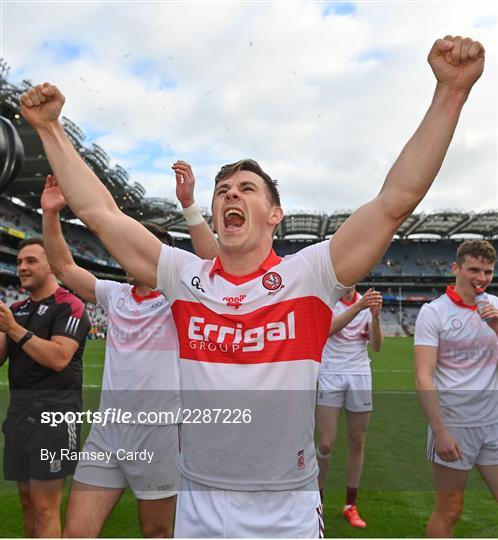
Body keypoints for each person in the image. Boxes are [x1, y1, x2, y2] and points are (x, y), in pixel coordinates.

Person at [20, 35, 485, 537]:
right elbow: (100, 213)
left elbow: (395, 200)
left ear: (274, 214)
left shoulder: (311, 273)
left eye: (245, 189)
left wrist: (450, 93)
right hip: (199, 506)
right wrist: (51, 130)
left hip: (287, 512)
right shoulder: (183, 276)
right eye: (222, 192)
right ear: (216, 215)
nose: (229, 196)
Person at [40, 170, 217, 538]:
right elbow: (63, 267)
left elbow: (218, 269)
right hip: (108, 431)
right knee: (76, 534)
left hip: (160, 433)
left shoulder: (179, 300)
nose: (125, 254)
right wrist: (51, 213)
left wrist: (190, 207)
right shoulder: (114, 294)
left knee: (156, 533)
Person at [0, 238, 90, 537]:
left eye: (31, 261)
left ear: (51, 263)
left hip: (55, 413)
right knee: (27, 501)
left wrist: (13, 329)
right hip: (20, 414)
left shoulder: (70, 304)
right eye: (19, 262)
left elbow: (59, 357)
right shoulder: (17, 308)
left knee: (44, 506)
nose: (22, 267)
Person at [414, 240, 498, 538]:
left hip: (493, 423)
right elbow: (423, 376)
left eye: (488, 271)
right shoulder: (434, 312)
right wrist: (440, 431)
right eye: (474, 269)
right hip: (455, 426)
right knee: (450, 509)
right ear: (456, 268)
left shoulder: (496, 307)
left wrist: (497, 327)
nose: (482, 278)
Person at [316, 286, 383, 528]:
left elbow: (376, 346)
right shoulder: (328, 299)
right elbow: (327, 330)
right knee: (325, 443)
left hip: (359, 375)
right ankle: (318, 503)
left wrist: (375, 317)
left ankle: (350, 505)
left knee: (357, 441)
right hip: (330, 374)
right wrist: (359, 306)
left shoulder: (366, 304)